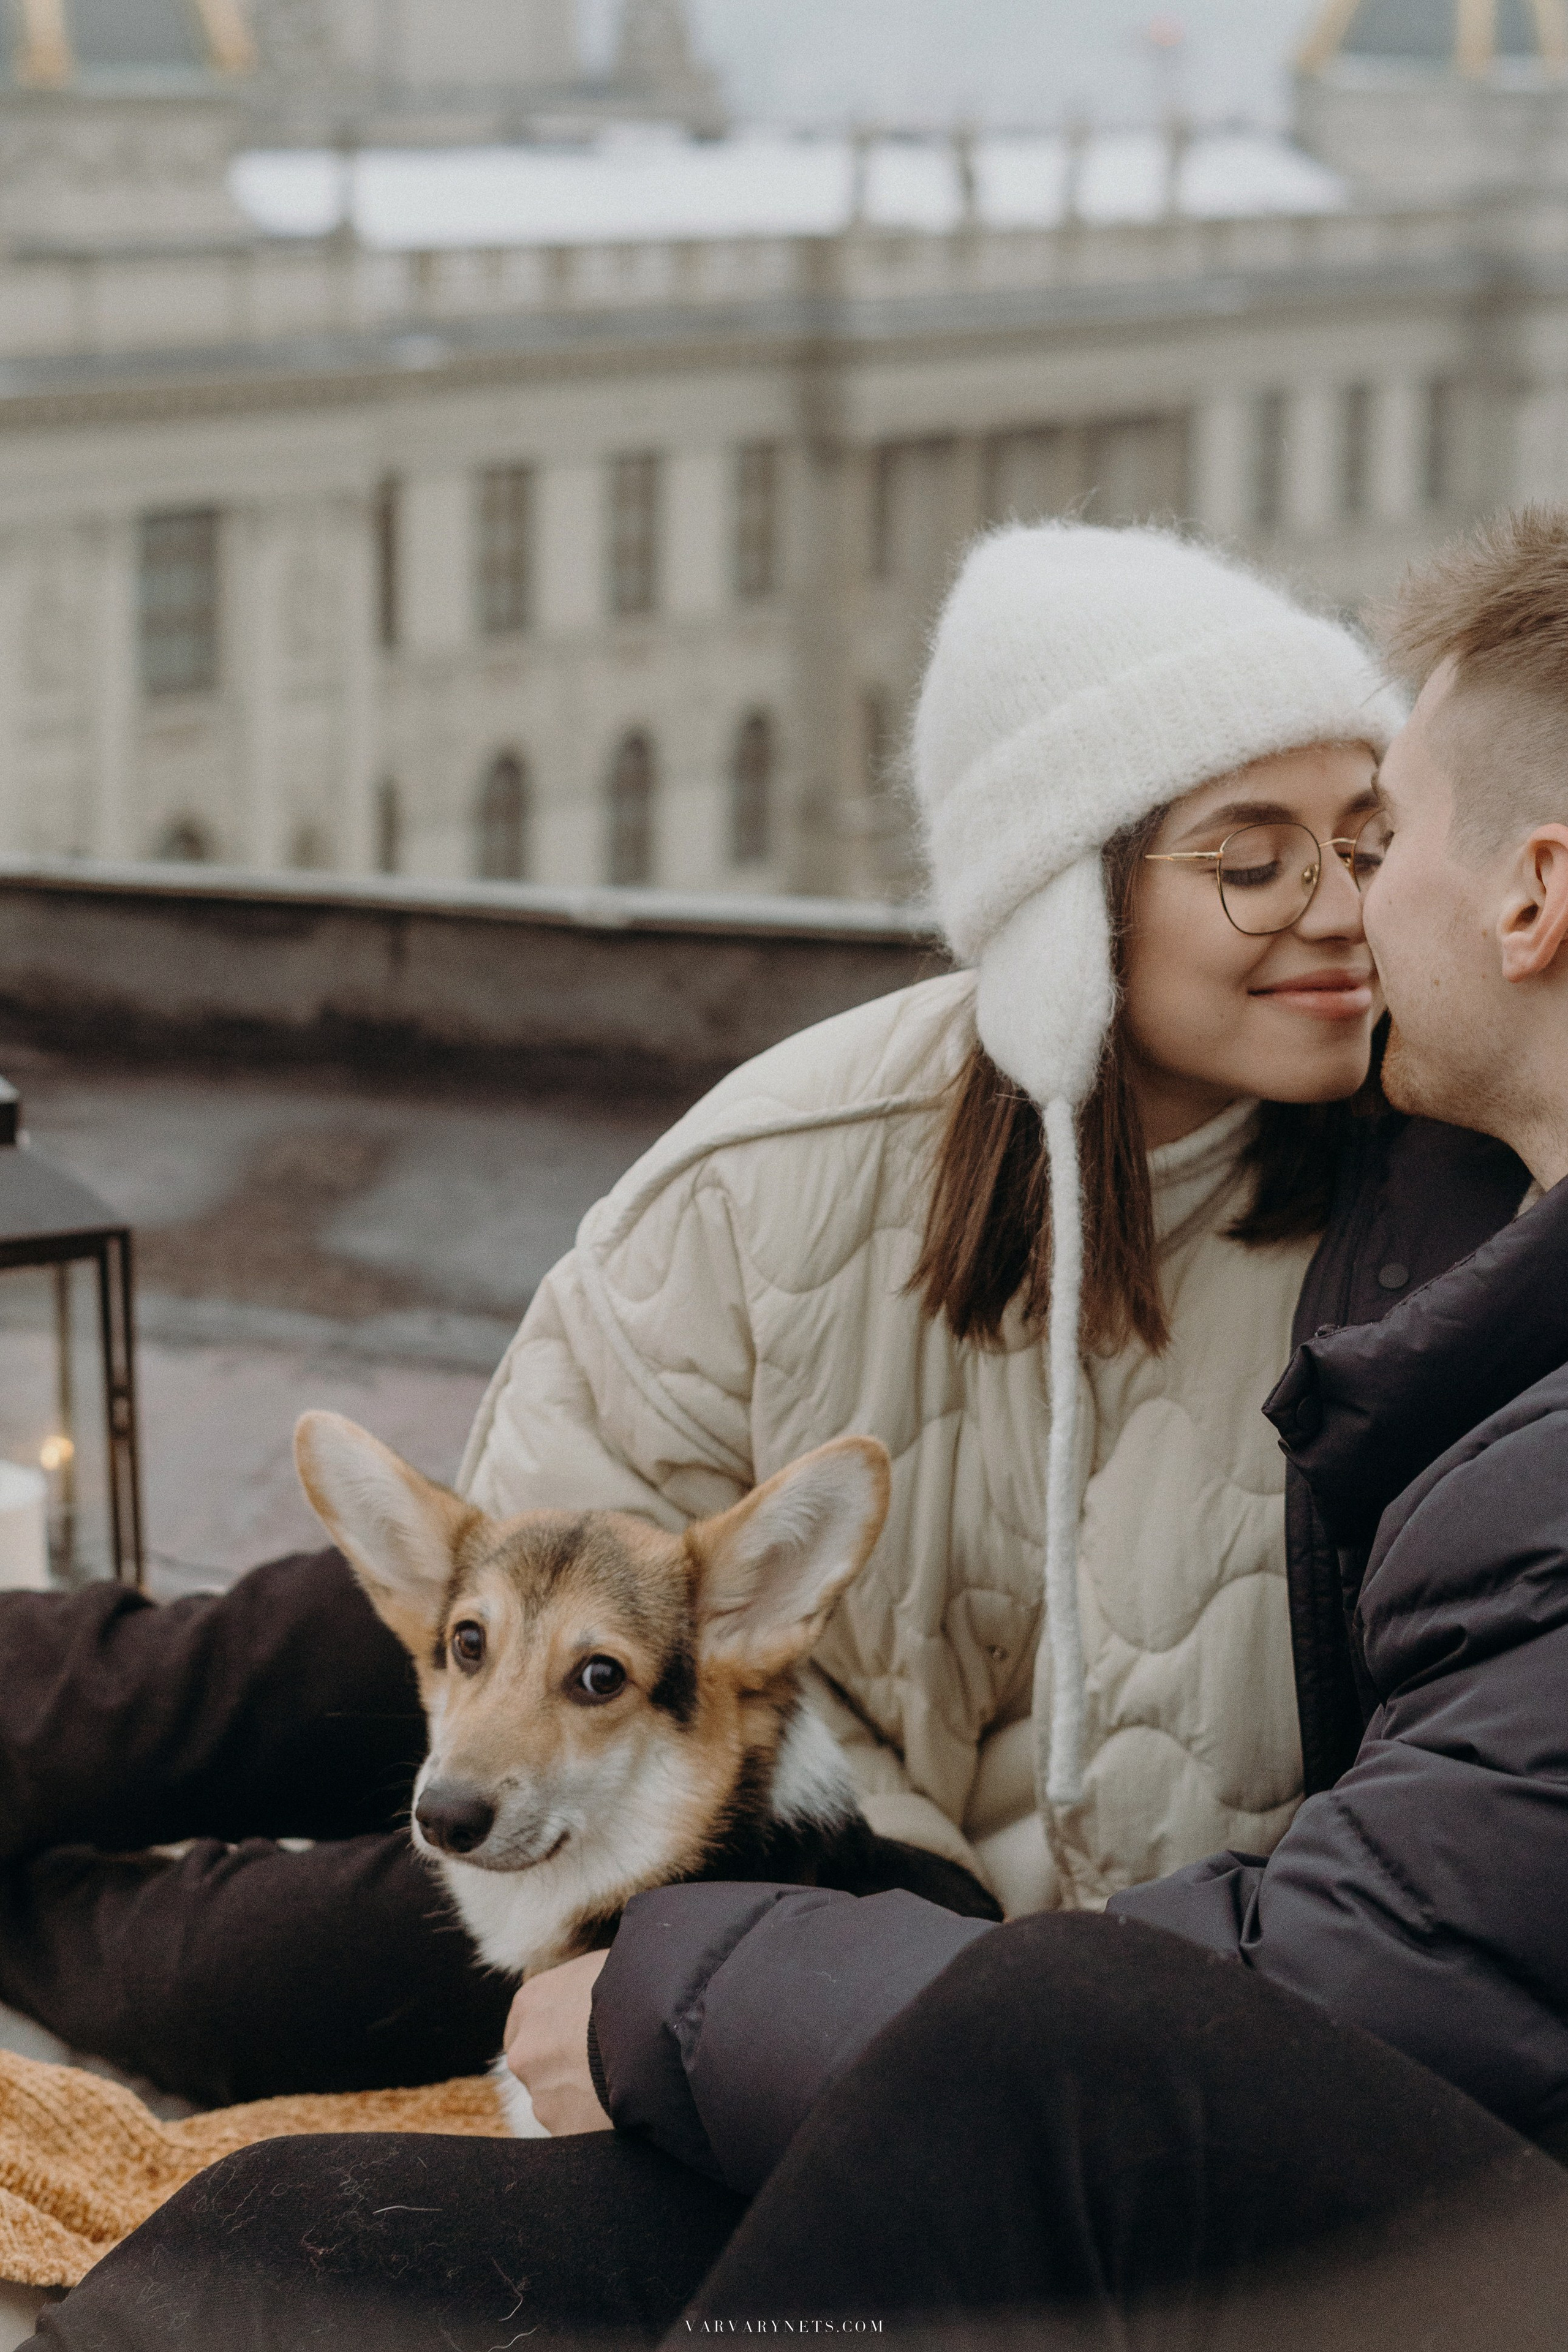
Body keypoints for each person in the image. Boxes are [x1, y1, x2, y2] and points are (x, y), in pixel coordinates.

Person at [32, 513, 1568, 2351]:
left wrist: (786, 1949)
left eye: (1375, 845)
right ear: (1063, 905)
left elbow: (1341, 1952)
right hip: (753, 1850)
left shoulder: (1446, 1229)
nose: (1340, 905)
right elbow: (537, 1613)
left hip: (957, 1987)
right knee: (296, 1704)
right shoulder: (797, 1168)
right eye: (1256, 863)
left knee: (259, 2050)